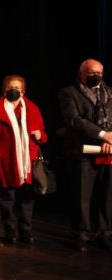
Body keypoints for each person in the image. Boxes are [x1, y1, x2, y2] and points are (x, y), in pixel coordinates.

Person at [0, 75, 47, 244]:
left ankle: (26, 231)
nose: (13, 90)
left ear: (23, 91)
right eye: (10, 87)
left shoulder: (32, 109)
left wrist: (40, 136)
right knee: (8, 199)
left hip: (28, 163)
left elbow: (43, 134)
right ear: (4, 89)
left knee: (27, 198)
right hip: (6, 163)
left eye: (17, 88)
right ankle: (10, 231)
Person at [59, 59, 112, 252]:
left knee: (106, 195)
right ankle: (83, 234)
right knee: (83, 195)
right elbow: (74, 119)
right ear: (81, 74)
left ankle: (104, 233)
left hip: (108, 150)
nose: (96, 76)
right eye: (91, 73)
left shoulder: (109, 93)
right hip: (82, 152)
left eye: (99, 72)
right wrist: (102, 134)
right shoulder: (68, 93)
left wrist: (109, 138)